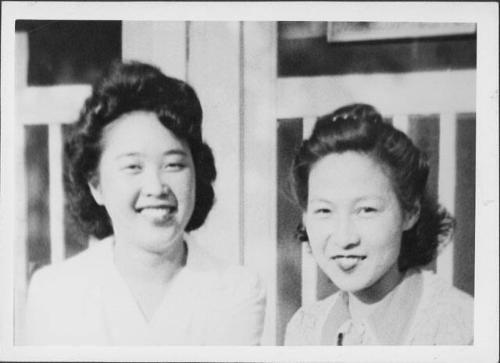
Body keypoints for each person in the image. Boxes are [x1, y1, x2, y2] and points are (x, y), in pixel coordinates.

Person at [24, 61, 265, 345]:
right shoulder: (54, 292)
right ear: (96, 185)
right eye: (133, 167)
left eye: (174, 164)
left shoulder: (236, 290)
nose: (156, 187)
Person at [285, 104, 473, 345]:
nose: (344, 238)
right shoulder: (304, 329)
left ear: (410, 212)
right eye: (324, 210)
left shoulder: (462, 327)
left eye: (366, 210)